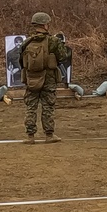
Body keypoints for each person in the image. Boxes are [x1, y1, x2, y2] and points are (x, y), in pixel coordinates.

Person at [17, 13, 68, 144]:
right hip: (48, 78)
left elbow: (21, 61)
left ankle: (30, 136)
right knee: (48, 106)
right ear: (45, 25)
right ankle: (49, 135)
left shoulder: (27, 42)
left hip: (31, 78)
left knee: (31, 106)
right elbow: (63, 57)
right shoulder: (53, 41)